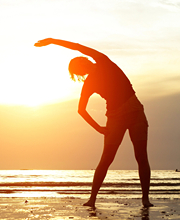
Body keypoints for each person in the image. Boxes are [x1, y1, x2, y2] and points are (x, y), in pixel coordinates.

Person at [34, 38, 153, 208]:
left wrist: (53, 41)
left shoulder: (103, 61)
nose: (82, 69)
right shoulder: (89, 83)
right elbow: (81, 109)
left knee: (141, 156)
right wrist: (99, 128)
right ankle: (92, 199)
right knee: (106, 159)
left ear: (85, 60)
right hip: (115, 117)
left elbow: (77, 46)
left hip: (135, 112)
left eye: (81, 65)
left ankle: (145, 199)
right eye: (78, 70)